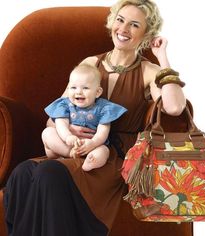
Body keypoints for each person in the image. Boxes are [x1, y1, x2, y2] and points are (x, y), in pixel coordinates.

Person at [3, 0, 186, 236]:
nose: (123, 29)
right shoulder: (90, 64)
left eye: (134, 25)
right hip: (75, 147)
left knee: (50, 174)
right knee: (22, 173)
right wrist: (69, 133)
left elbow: (174, 107)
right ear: (112, 23)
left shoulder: (149, 71)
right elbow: (56, 114)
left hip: (110, 157)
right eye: (120, 20)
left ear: (146, 33)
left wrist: (162, 57)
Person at [42, 63, 127, 171]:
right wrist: (68, 137)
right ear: (68, 89)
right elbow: (61, 124)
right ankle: (69, 154)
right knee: (47, 133)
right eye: (73, 87)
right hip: (67, 144)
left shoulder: (104, 108)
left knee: (104, 150)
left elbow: (103, 131)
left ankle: (90, 162)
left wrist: (93, 143)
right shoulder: (64, 105)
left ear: (97, 92)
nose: (78, 92)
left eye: (85, 88)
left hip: (92, 145)